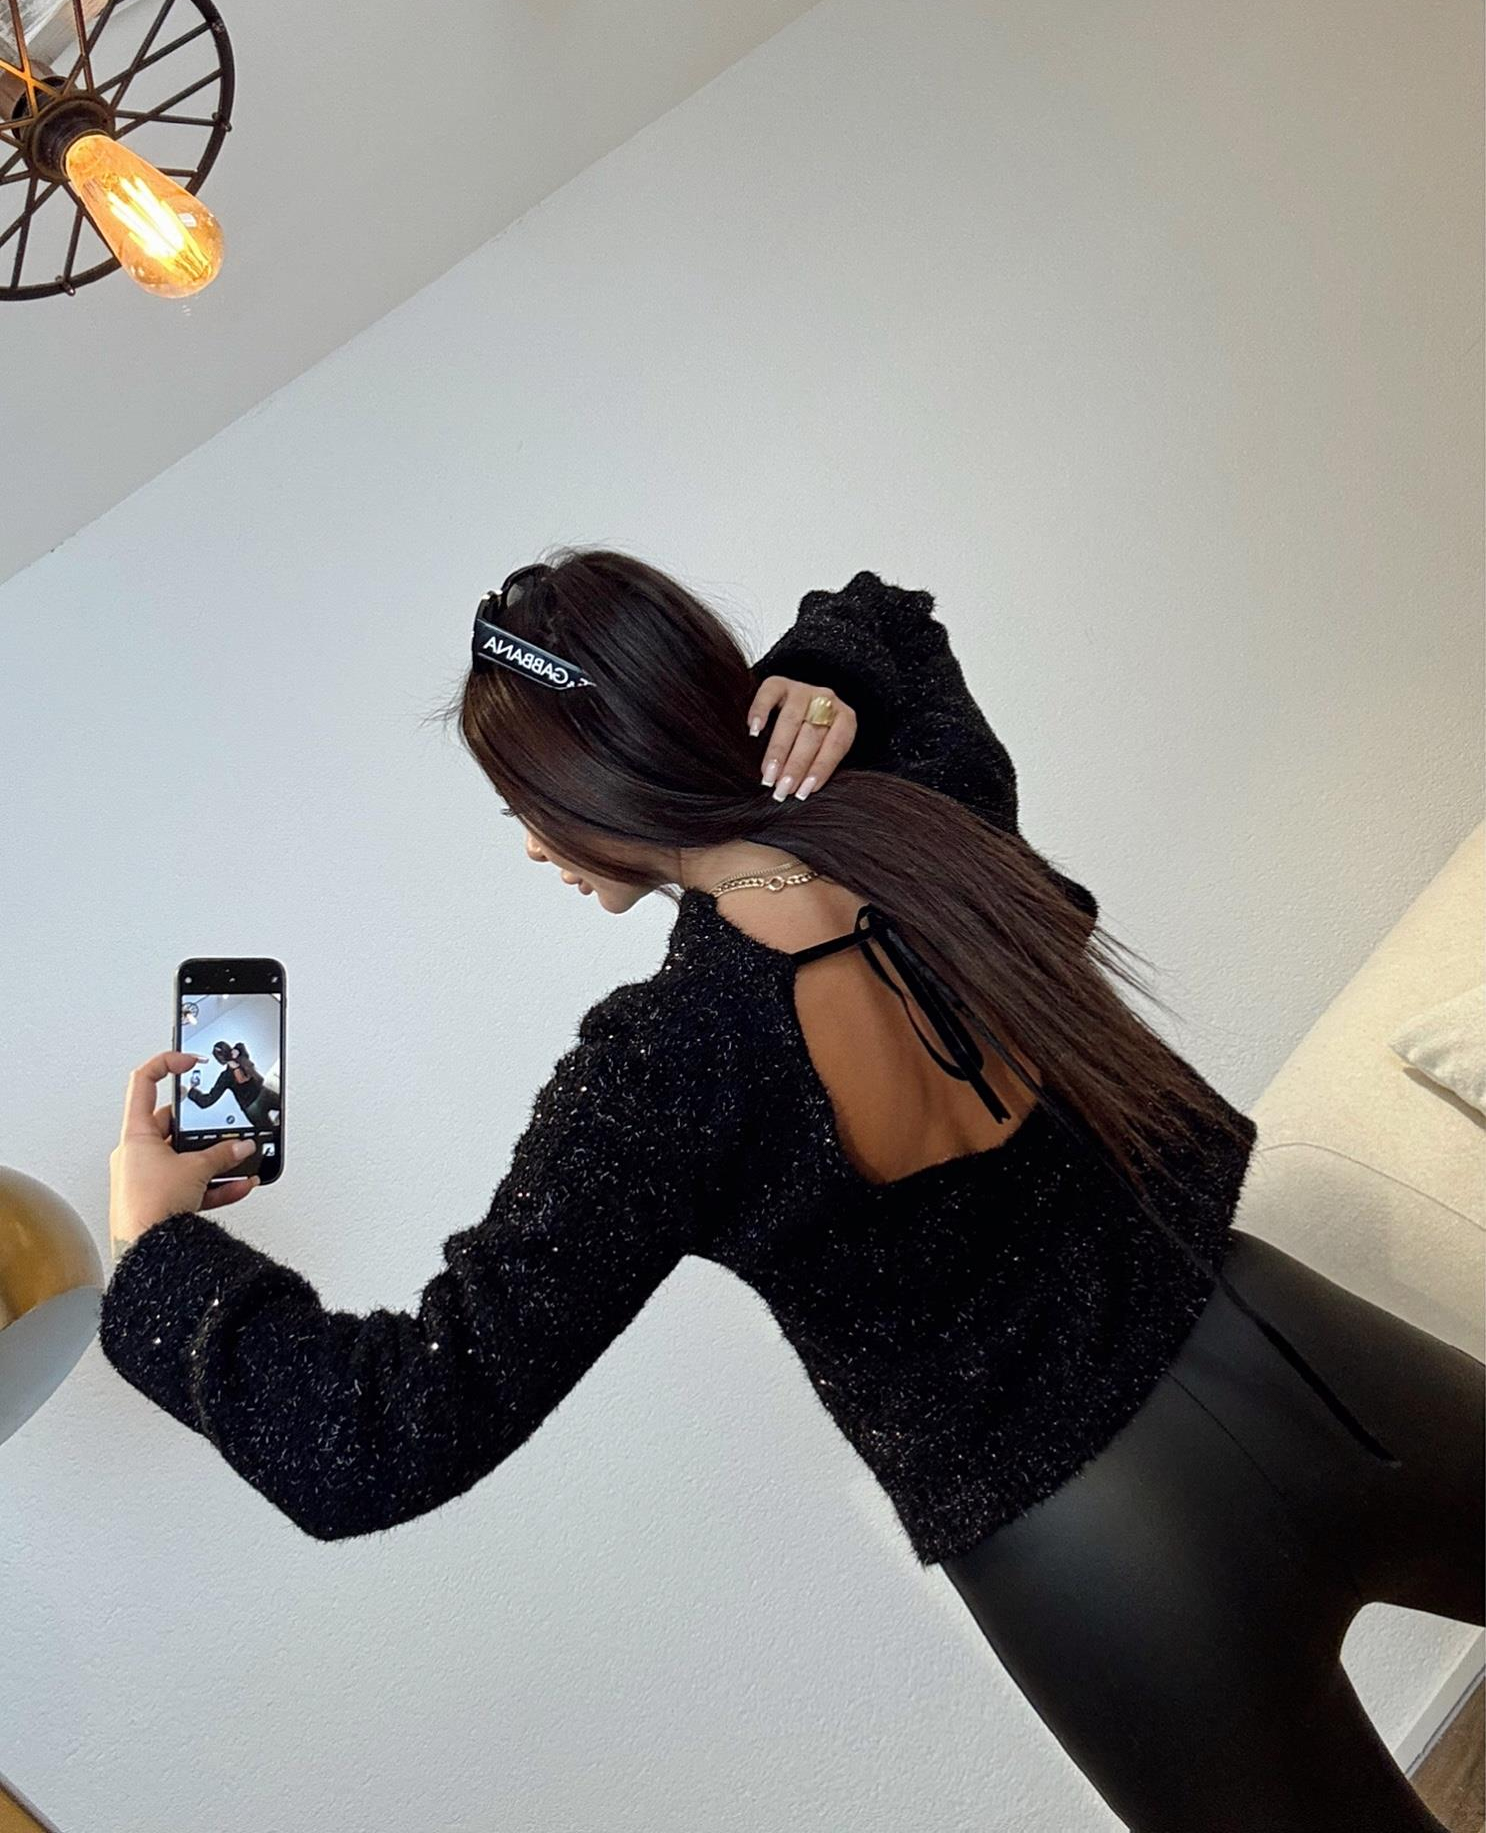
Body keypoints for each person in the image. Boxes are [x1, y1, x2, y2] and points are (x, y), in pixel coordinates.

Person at [102, 552, 1483, 1833]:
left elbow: (384, 1433)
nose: (528, 845)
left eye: (522, 806)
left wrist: (155, 1245)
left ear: (593, 782)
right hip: (1290, 1357)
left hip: (1095, 1556)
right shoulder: (921, 794)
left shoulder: (664, 1068)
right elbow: (890, 614)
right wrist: (822, 682)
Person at [184, 1041, 279, 1133]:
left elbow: (207, 1101)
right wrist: (237, 1050)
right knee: (287, 1109)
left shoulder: (225, 1077)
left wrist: (191, 1091)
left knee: (271, 1134)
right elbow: (240, 1045)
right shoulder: (242, 1057)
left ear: (220, 1060)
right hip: (263, 1094)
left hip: (251, 1107)